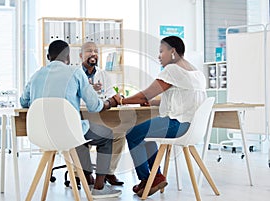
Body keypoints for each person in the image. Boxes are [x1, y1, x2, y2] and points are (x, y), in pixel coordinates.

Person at [19, 40, 121, 199]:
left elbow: (24, 102)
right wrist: (110, 103)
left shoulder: (36, 75)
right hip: (69, 133)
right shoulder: (75, 72)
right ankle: (99, 187)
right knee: (103, 135)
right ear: (68, 58)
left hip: (41, 134)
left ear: (48, 57)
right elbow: (94, 106)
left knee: (79, 134)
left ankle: (87, 180)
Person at [112, 36, 207, 197]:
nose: (159, 56)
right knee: (145, 132)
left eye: (161, 51)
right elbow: (180, 99)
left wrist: (121, 100)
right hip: (191, 128)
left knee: (133, 133)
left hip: (178, 125)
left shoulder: (173, 69)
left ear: (173, 52)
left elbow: (145, 95)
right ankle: (155, 176)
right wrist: (154, 103)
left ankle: (146, 179)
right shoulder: (197, 72)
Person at [79, 41, 125, 186]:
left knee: (119, 134)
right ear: (80, 55)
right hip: (81, 117)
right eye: (88, 51)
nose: (93, 54)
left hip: (101, 116)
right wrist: (89, 89)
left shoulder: (103, 74)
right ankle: (79, 173)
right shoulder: (75, 74)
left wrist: (114, 98)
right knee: (79, 137)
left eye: (95, 51)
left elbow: (111, 94)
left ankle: (107, 172)